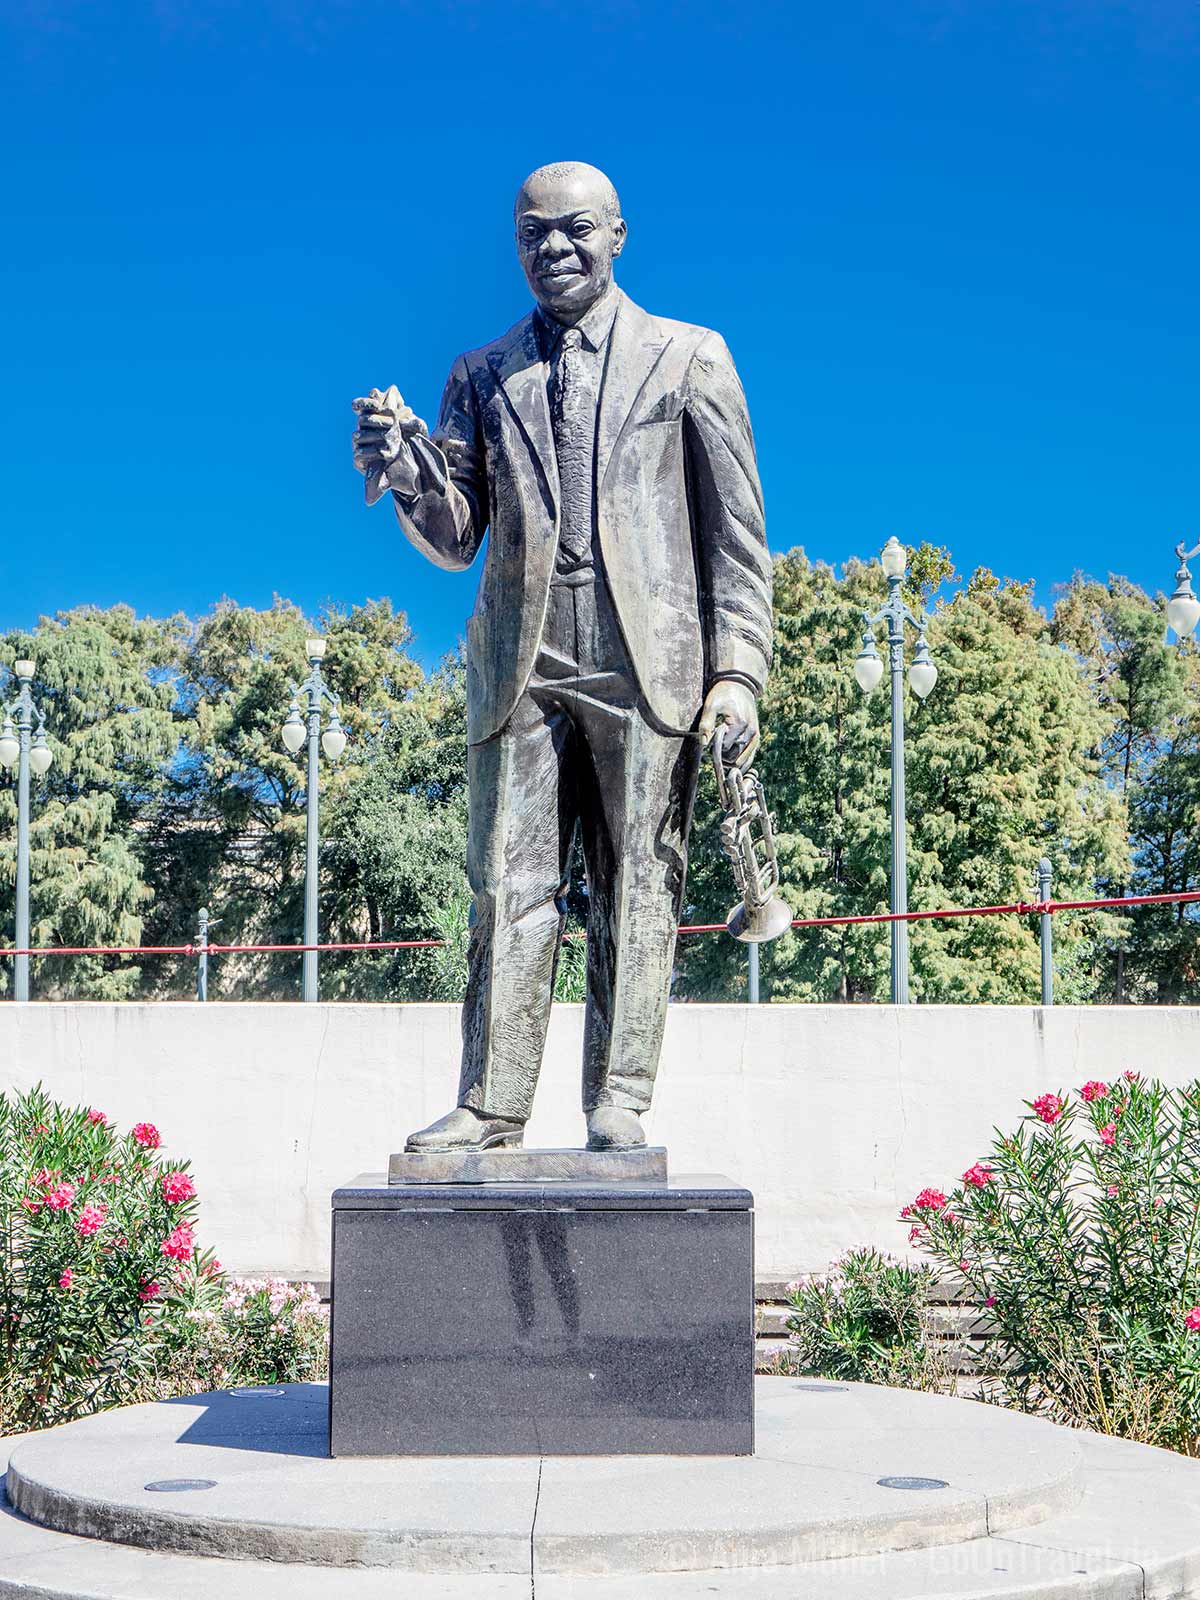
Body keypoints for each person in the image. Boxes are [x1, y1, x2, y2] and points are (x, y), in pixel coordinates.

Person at [353, 161, 772, 1153]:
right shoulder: (482, 373)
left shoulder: (690, 357)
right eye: (534, 234)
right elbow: (458, 537)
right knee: (508, 885)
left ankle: (619, 1100)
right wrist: (409, 461)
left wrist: (738, 670)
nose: (555, 249)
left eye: (575, 230)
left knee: (642, 886)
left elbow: (737, 536)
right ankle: (492, 1104)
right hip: (523, 662)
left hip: (650, 663)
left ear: (619, 233)